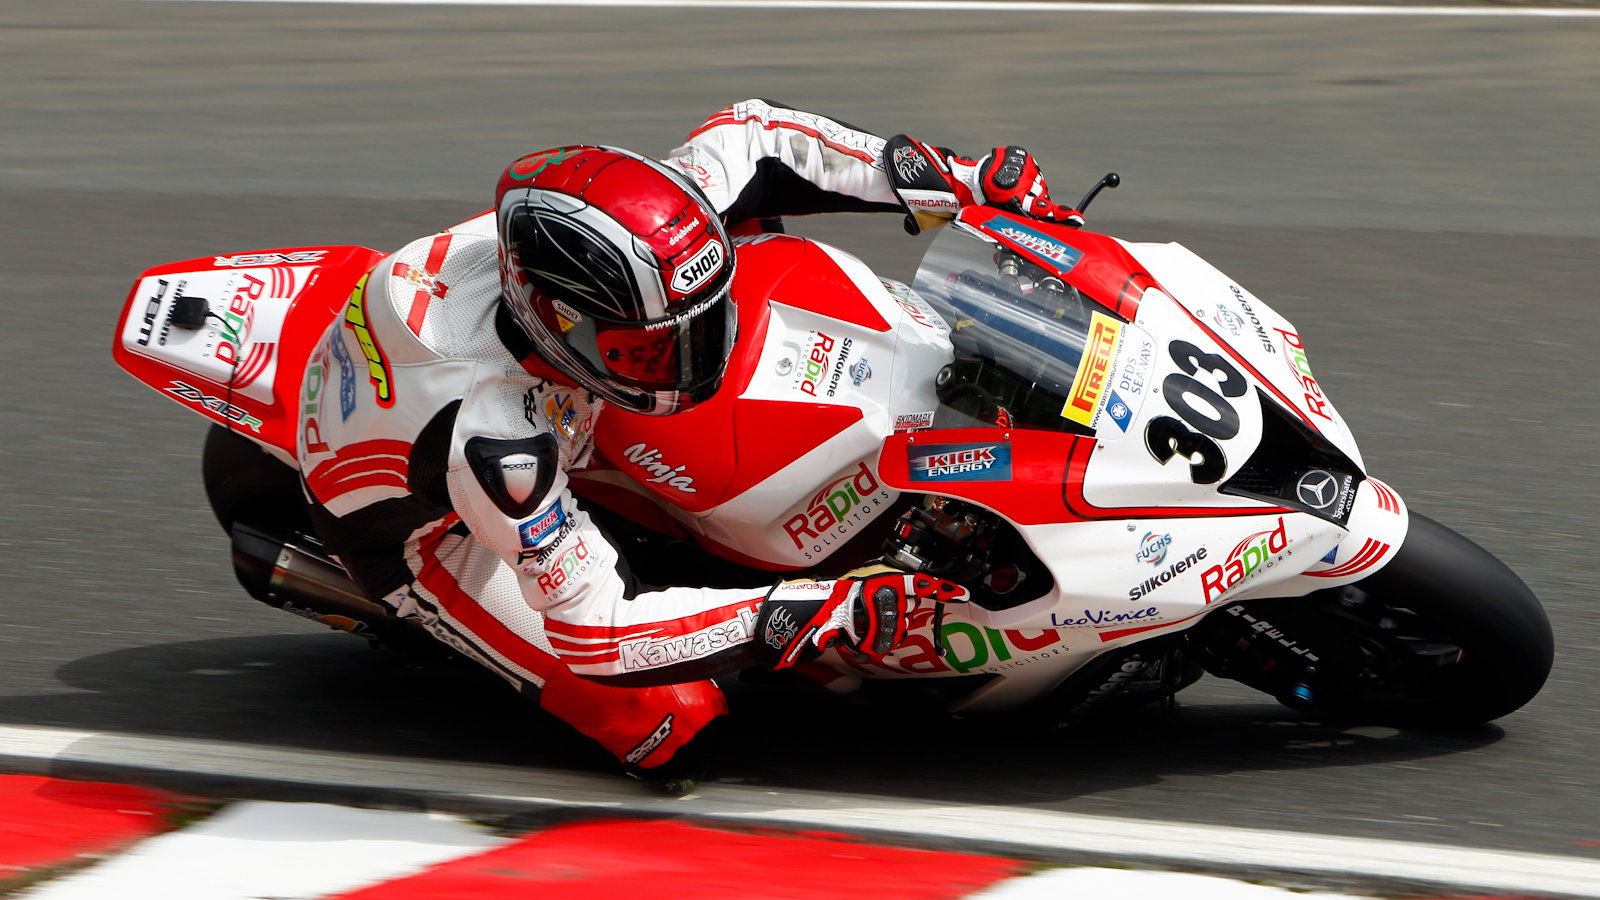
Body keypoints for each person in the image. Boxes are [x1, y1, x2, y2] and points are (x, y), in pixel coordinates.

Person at [295, 98, 1081, 790]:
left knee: (743, 262)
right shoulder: (499, 445)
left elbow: (756, 134)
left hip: (553, 399)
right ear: (557, 323)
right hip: (435, 534)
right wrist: (816, 610)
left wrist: (954, 180)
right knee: (669, 720)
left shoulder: (646, 238)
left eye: (702, 326)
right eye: (649, 351)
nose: (693, 361)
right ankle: (431, 614)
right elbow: (598, 631)